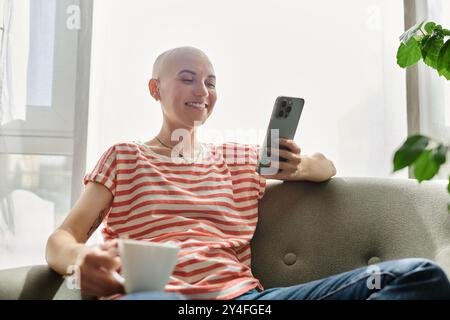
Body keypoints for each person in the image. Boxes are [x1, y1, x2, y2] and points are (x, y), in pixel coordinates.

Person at [46, 46, 450, 300]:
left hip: (246, 302)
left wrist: (304, 166)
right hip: (153, 295)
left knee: (418, 276)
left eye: (210, 82)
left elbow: (325, 166)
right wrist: (79, 259)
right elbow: (62, 239)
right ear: (155, 89)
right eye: (187, 79)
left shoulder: (240, 159)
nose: (202, 91)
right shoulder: (124, 158)